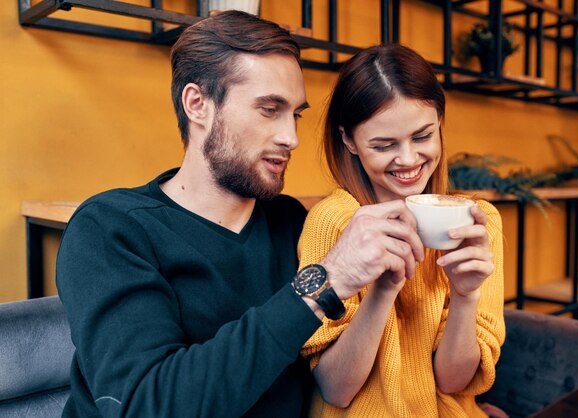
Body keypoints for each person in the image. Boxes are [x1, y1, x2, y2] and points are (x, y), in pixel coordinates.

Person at [55, 11, 425, 418]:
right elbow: (148, 405)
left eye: (295, 114)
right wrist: (325, 282)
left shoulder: (290, 222)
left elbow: (337, 381)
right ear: (197, 104)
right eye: (269, 109)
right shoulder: (111, 228)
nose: (292, 137)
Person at [298, 44, 506, 417]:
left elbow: (453, 383)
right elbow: (335, 389)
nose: (409, 160)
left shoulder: (478, 222)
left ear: (440, 123)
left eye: (423, 136)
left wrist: (465, 295)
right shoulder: (333, 221)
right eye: (383, 145)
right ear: (349, 141)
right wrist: (383, 288)